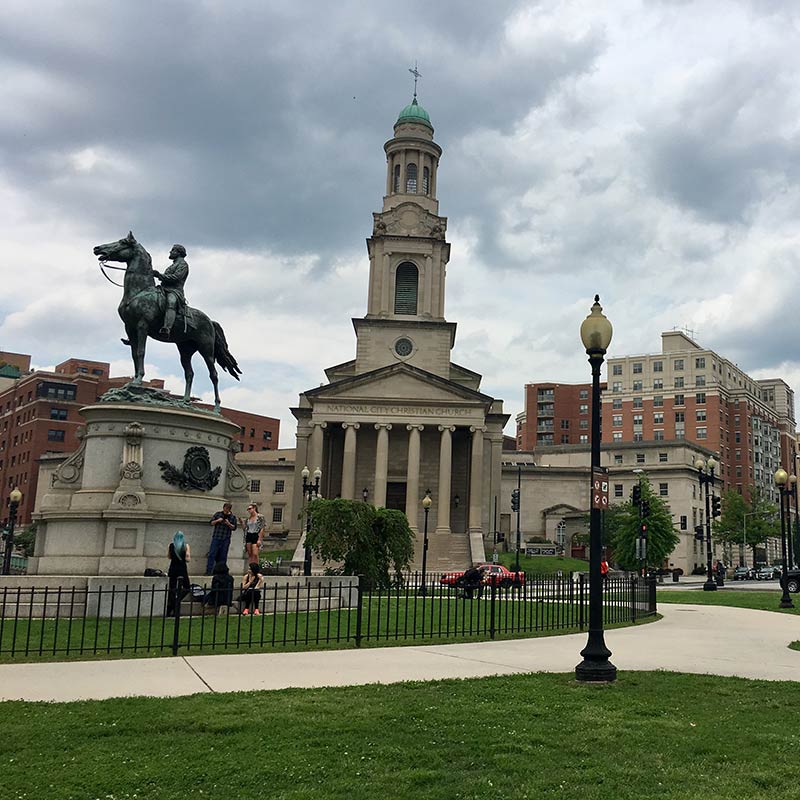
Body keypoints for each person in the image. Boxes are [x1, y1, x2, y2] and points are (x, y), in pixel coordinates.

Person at [154, 244, 189, 337]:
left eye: (173, 250)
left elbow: (176, 277)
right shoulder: (173, 265)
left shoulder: (183, 264)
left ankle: (167, 328)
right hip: (163, 289)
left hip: (174, 291)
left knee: (171, 302)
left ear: (179, 253)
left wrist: (160, 275)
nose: (170, 252)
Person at [207, 502, 237, 575]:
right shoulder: (218, 514)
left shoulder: (232, 517)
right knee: (212, 554)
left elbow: (234, 528)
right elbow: (211, 523)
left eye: (228, 509)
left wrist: (228, 524)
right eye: (225, 508)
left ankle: (220, 572)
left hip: (225, 538)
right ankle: (209, 571)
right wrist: (217, 520)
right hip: (216, 537)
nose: (226, 510)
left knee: (223, 556)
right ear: (223, 508)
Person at [166, 531, 190, 617]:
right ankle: (177, 601)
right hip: (182, 568)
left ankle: (171, 607)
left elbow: (169, 556)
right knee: (187, 587)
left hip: (172, 568)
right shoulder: (185, 546)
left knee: (172, 588)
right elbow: (188, 558)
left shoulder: (171, 546)